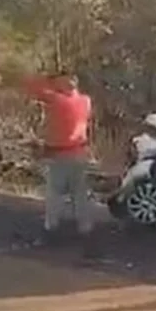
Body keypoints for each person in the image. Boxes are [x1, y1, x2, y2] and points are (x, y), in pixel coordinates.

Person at [22, 71, 95, 254]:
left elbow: (32, 86)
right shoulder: (85, 101)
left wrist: (47, 77)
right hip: (80, 152)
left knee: (55, 194)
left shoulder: (57, 100)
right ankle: (86, 232)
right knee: (80, 195)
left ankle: (51, 230)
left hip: (60, 155)